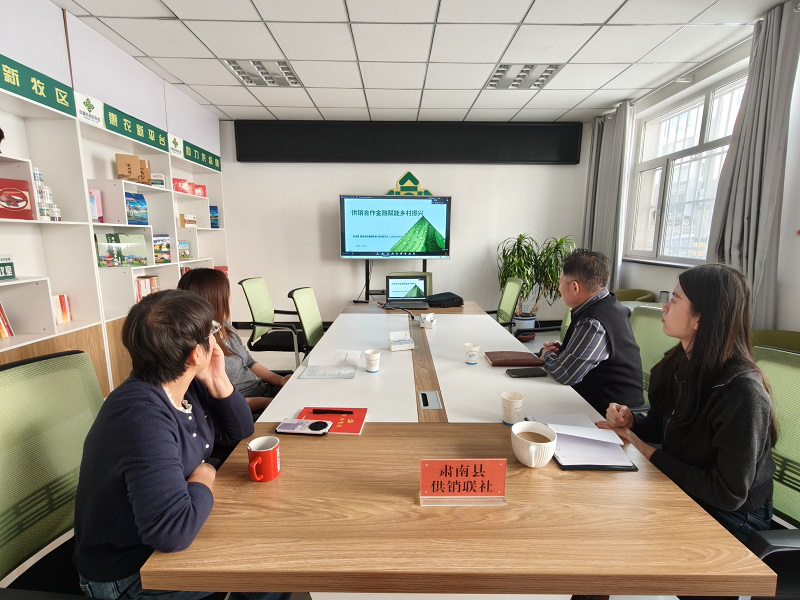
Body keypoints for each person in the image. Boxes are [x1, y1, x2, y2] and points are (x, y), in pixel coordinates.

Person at [73, 289, 289, 600]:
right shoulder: (142, 417)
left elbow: (241, 431)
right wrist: (205, 474)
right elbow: (172, 532)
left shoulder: (182, 383)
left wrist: (218, 380)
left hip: (164, 533)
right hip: (131, 572)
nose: (217, 337)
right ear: (196, 353)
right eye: (211, 330)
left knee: (269, 537)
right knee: (271, 563)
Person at [600, 264, 776, 543]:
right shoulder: (677, 362)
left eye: (675, 300)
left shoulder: (742, 391)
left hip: (734, 516)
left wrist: (645, 450)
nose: (665, 307)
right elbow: (661, 425)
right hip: (684, 487)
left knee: (618, 530)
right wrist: (631, 420)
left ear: (699, 320)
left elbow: (727, 493)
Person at [541, 249, 644, 414]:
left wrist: (546, 354)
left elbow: (564, 373)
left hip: (610, 416)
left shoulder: (593, 322)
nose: (559, 289)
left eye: (560, 283)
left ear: (574, 287)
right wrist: (564, 350)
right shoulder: (607, 303)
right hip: (594, 402)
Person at [177, 268, 290, 414]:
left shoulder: (223, 326)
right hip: (248, 408)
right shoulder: (199, 349)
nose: (230, 297)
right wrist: (264, 402)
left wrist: (280, 380)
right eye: (228, 292)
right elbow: (218, 405)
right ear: (217, 298)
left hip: (263, 392)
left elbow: (249, 362)